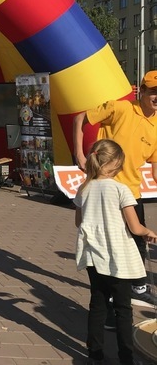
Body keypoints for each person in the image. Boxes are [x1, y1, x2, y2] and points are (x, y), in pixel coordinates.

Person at [72, 70, 157, 308]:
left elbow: (155, 168)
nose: (156, 97)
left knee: (138, 238)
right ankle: (108, 294)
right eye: (153, 91)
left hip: (131, 192)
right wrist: (79, 153)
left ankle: (137, 288)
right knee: (108, 242)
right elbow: (80, 119)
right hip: (105, 189)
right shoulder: (120, 108)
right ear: (141, 91)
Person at [74, 139, 157, 365]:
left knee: (97, 305)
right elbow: (134, 226)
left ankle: (95, 355)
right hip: (118, 257)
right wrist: (149, 232)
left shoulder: (84, 188)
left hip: (93, 256)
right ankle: (126, 358)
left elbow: (79, 223)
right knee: (123, 309)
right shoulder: (122, 189)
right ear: (113, 163)